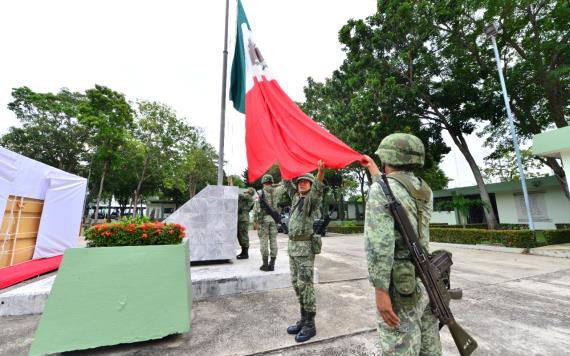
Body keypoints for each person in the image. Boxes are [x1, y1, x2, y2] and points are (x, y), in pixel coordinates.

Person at [361, 133, 441, 355]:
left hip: (401, 285)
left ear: (388, 157)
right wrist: (376, 172)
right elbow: (396, 197)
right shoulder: (423, 188)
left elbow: (379, 245)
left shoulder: (380, 191)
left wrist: (380, 289)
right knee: (428, 343)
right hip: (425, 277)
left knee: (400, 343)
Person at [282, 160, 326, 343]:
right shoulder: (295, 198)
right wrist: (283, 160)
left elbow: (317, 189)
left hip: (305, 250)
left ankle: (311, 325)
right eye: (300, 181)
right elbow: (286, 182)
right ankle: (303, 319)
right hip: (293, 249)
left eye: (306, 182)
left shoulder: (311, 201)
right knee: (296, 285)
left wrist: (320, 173)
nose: (302, 183)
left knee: (306, 287)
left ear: (310, 185)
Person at [253, 174, 282, 271]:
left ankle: (265, 264)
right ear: (272, 182)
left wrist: (255, 221)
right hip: (274, 220)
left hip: (263, 220)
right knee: (273, 241)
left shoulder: (259, 193)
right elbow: (284, 185)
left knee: (264, 242)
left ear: (263, 182)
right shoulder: (277, 191)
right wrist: (275, 185)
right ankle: (272, 263)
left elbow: (256, 209)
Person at [236, 188, 254, 259]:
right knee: (240, 235)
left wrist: (232, 189)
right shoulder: (247, 197)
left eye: (247, 189)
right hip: (242, 218)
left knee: (243, 235)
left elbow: (238, 195)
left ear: (249, 191)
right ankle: (243, 252)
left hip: (243, 219)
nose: (245, 190)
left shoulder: (248, 196)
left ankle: (245, 253)